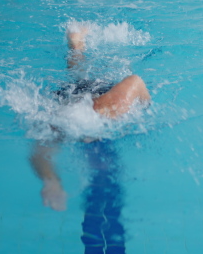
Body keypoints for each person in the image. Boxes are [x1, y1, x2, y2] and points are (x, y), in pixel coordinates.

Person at [30, 24, 151, 211]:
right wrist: (145, 108)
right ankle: (76, 45)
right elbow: (135, 81)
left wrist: (52, 182)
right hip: (77, 101)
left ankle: (77, 45)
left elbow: (39, 154)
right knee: (80, 80)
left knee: (81, 81)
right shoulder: (96, 114)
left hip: (79, 101)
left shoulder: (83, 117)